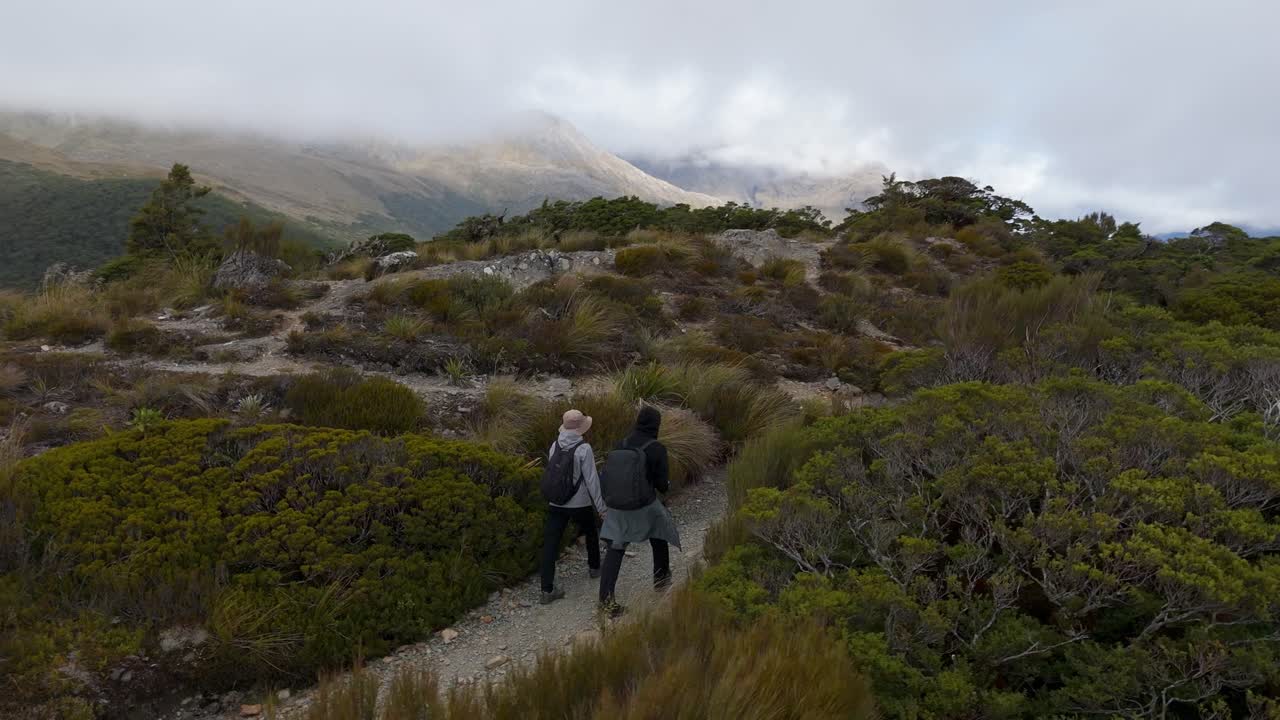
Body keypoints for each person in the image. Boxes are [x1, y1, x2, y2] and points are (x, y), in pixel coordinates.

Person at [597, 405, 682, 617]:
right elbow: (662, 485)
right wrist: (666, 485)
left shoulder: (621, 444)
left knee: (616, 548)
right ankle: (661, 579)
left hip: (616, 505)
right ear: (656, 425)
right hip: (643, 504)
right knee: (660, 530)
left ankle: (606, 601)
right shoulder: (656, 448)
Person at [539, 409, 607, 605]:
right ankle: (594, 568)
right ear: (580, 428)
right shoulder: (584, 449)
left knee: (550, 544)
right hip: (579, 503)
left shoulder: (555, 445)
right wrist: (601, 508)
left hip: (557, 502)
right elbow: (592, 480)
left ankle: (547, 589)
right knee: (591, 532)